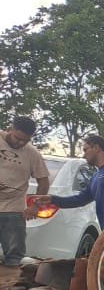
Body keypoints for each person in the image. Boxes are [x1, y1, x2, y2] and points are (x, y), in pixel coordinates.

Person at [44, 134, 104, 228]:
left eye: (86, 150)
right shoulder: (95, 177)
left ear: (96, 148)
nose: (84, 155)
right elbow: (79, 200)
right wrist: (52, 199)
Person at [0, 116, 49, 275]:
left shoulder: (32, 154)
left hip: (13, 210)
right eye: (18, 138)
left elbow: (43, 182)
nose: (20, 143)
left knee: (14, 256)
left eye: (25, 140)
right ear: (10, 129)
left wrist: (35, 206)